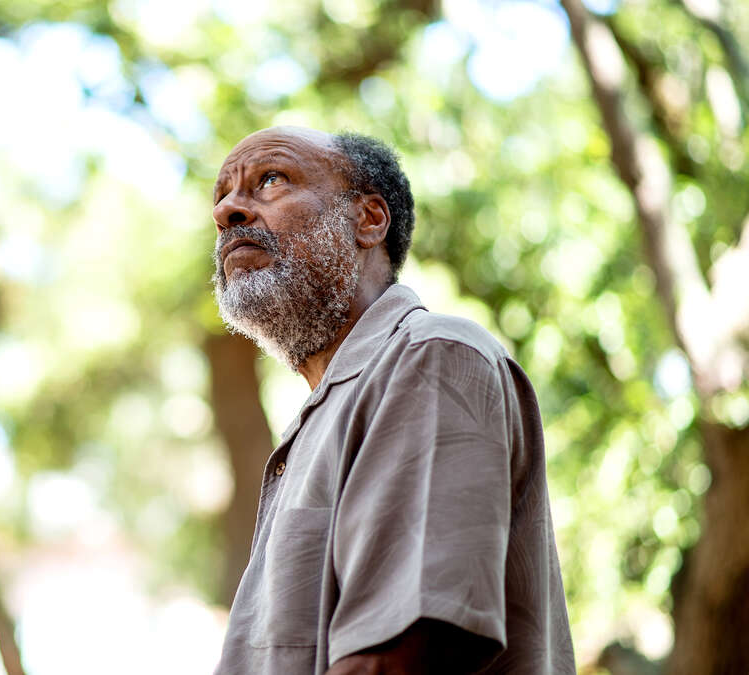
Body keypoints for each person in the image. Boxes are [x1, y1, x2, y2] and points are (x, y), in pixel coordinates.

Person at [210, 126, 574, 674]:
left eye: (271, 180)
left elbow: (395, 660)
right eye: (222, 196)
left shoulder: (432, 358)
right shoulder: (313, 424)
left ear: (369, 220)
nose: (229, 212)